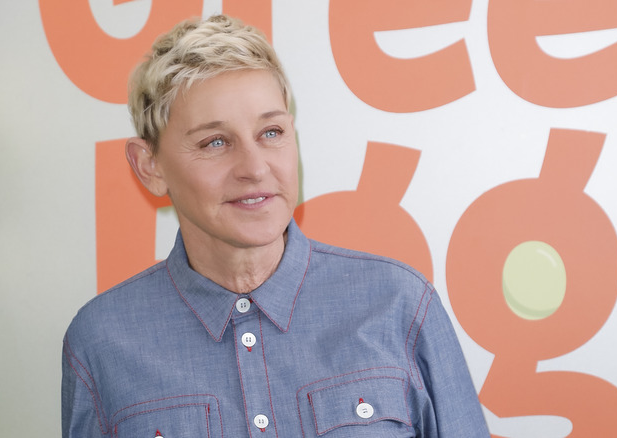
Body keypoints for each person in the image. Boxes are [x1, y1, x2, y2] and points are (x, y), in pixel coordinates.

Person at [62, 14, 489, 438]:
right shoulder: (100, 342)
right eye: (215, 142)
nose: (254, 168)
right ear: (150, 166)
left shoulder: (401, 305)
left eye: (270, 132)